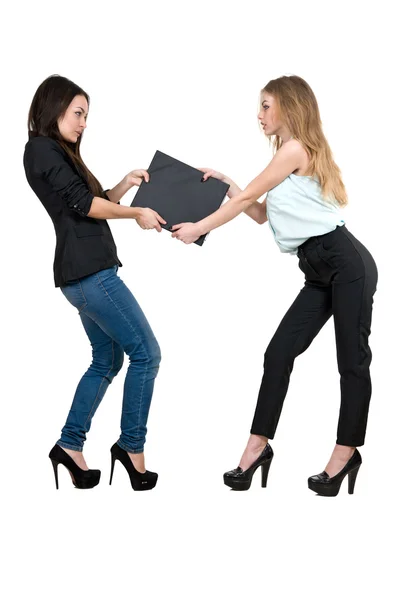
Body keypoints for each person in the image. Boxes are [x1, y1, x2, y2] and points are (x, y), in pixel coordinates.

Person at [171, 75, 378, 496]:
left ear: (290, 106)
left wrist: (199, 227)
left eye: (267, 105)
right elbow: (262, 213)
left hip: (347, 263)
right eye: (260, 106)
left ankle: (345, 453)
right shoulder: (289, 157)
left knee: (351, 361)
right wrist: (230, 183)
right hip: (319, 270)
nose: (259, 114)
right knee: (278, 352)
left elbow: (249, 201)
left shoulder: (295, 149)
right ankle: (258, 447)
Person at [23, 75, 166, 491]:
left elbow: (91, 200)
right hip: (90, 274)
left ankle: (69, 446)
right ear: (54, 108)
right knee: (147, 354)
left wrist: (125, 185)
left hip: (86, 273)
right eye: (78, 113)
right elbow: (85, 205)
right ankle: (132, 450)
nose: (84, 122)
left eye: (87, 115)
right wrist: (136, 214)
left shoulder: (60, 152)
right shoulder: (40, 148)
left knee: (107, 360)